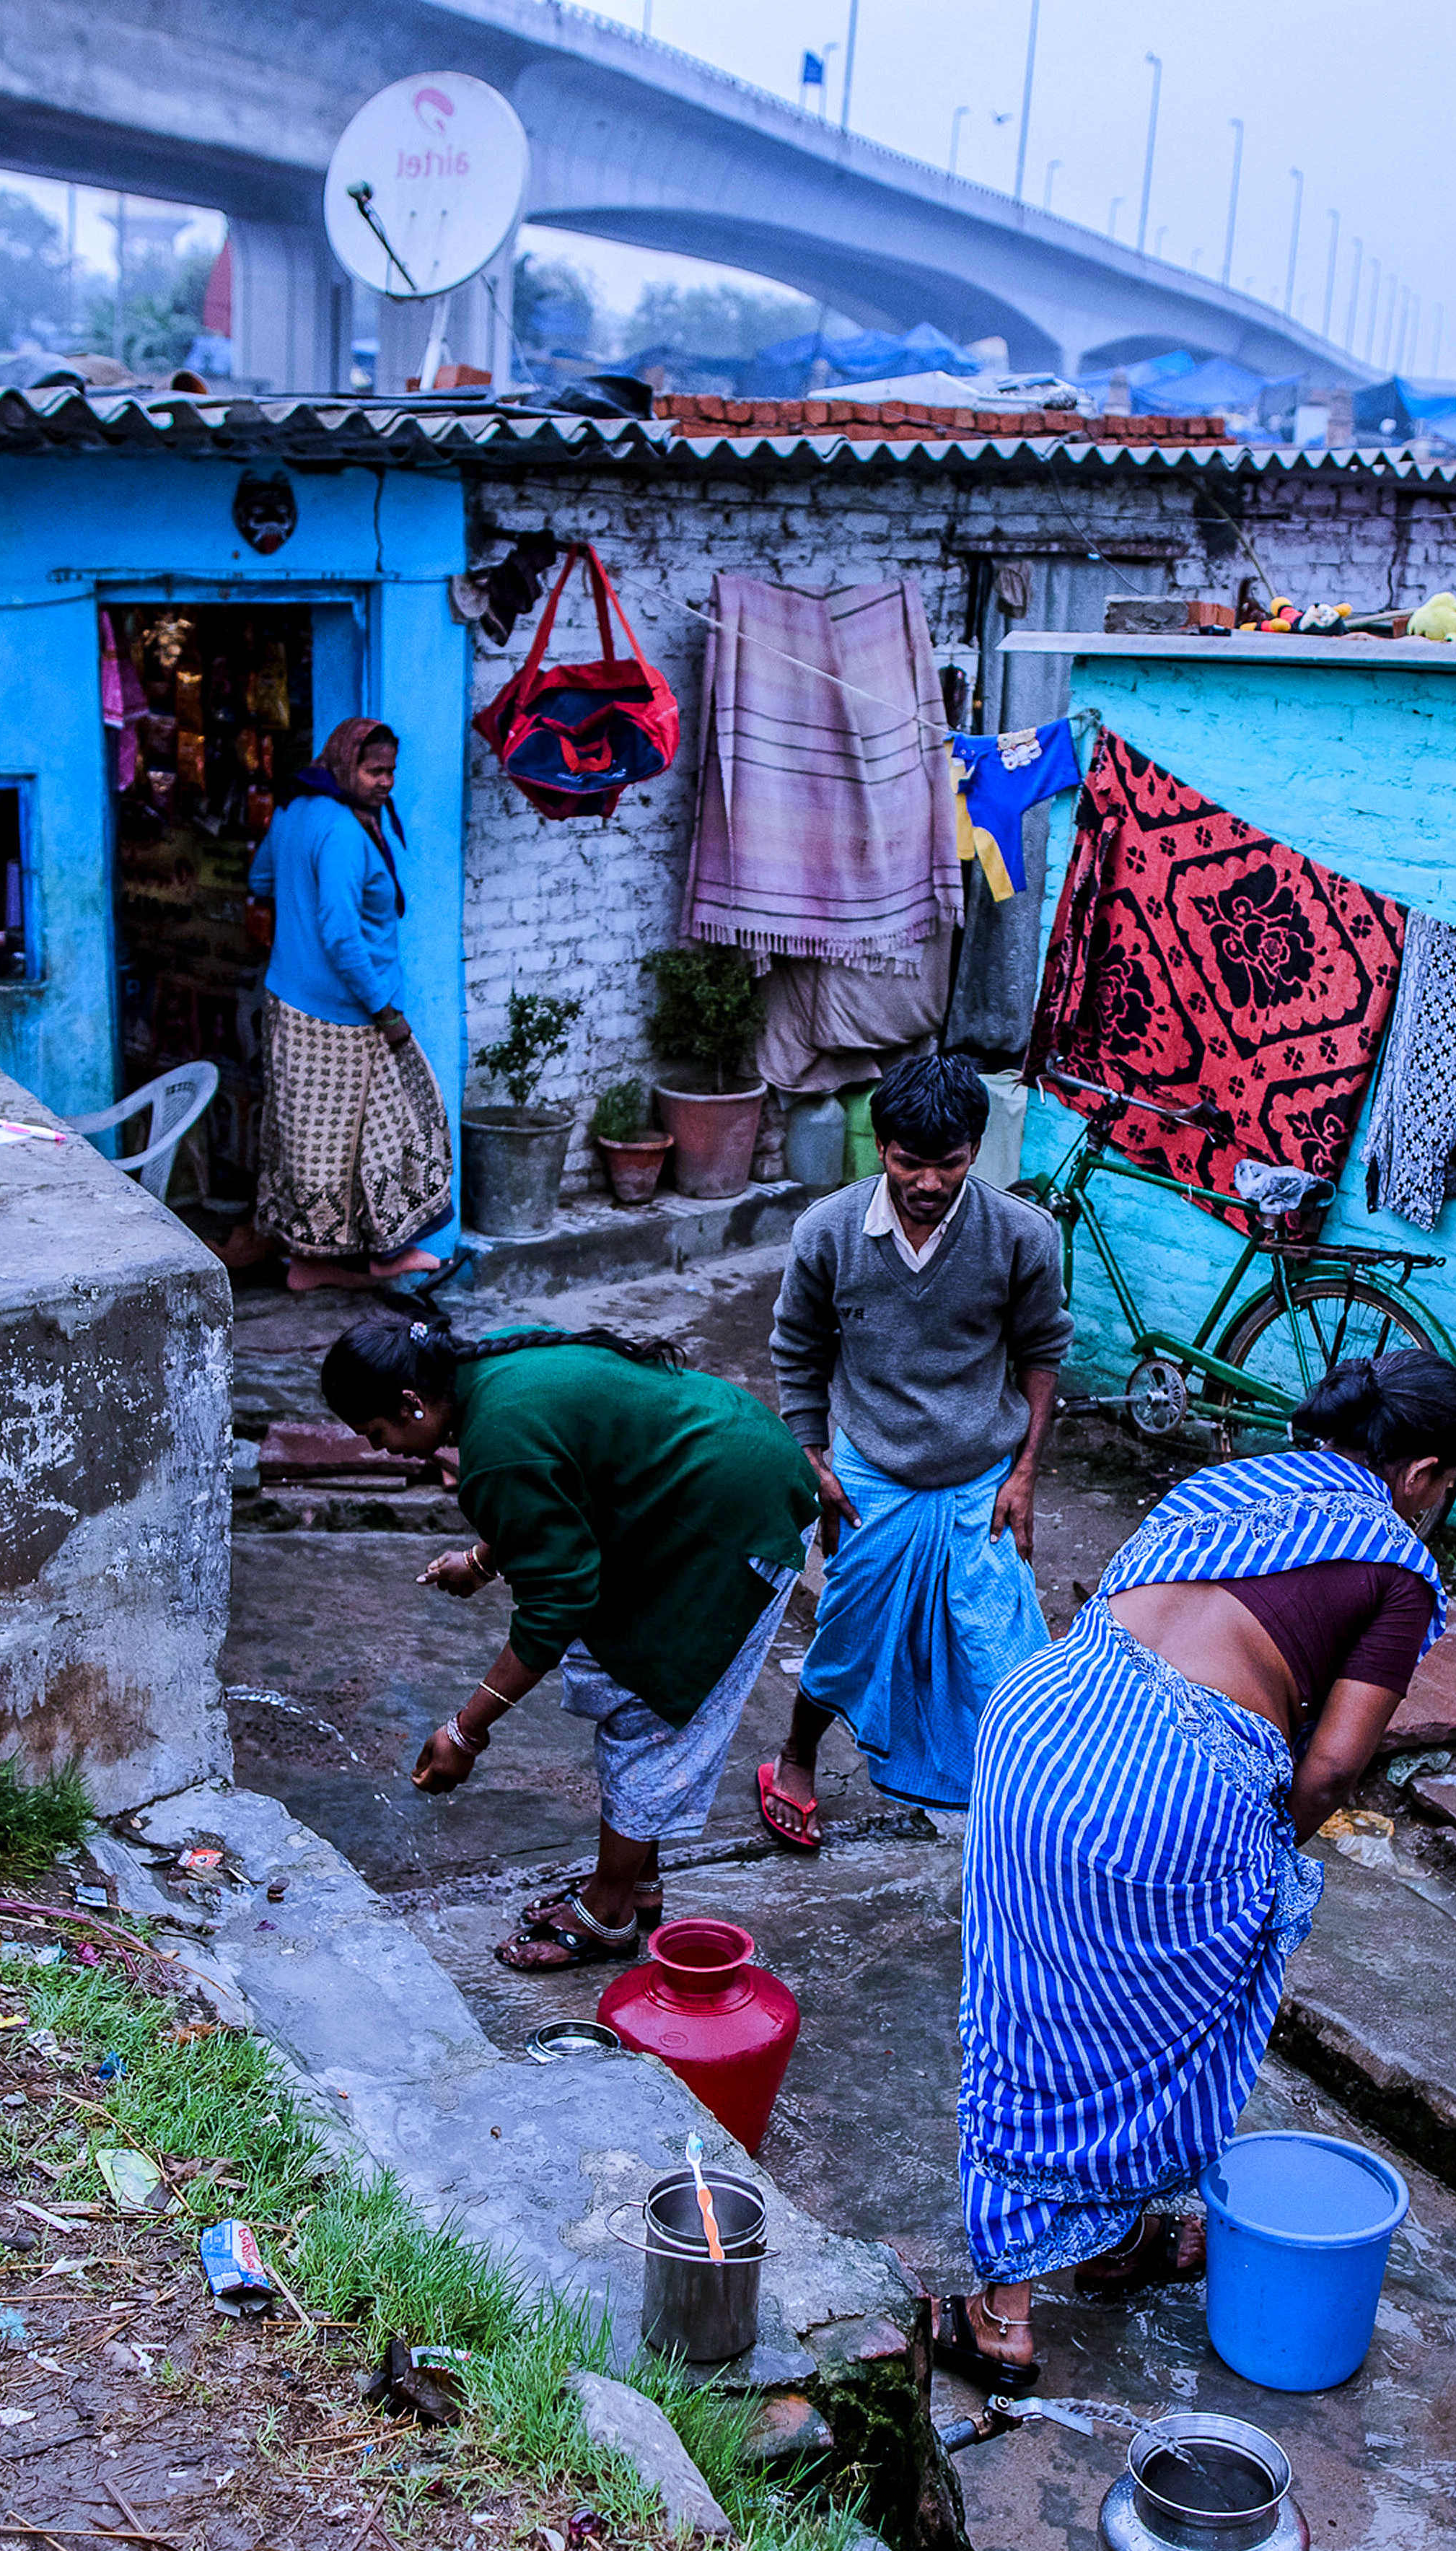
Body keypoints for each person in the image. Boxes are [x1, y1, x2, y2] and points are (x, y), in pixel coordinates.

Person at [936, 1348, 1456, 2391]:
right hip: (1169, 1779)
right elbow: (1330, 1766)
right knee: (1168, 2029)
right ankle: (1055, 2276)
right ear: (1421, 1475)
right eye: (1447, 1487)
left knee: (1027, 2015)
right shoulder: (1398, 1566)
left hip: (1041, 1722)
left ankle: (1039, 2285)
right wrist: (1276, 1844)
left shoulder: (1224, 1482)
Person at [324, 1310, 820, 1974]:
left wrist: (466, 1732)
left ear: (412, 1403)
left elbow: (554, 1610)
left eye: (375, 1431)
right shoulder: (485, 1375)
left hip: (733, 1516)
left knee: (649, 1704)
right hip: (708, 1477)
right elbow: (570, 1482)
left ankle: (608, 1913)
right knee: (624, 1680)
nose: (378, 1448)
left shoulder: (495, 1443)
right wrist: (482, 1561)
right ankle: (636, 1885)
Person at [760, 1053, 1069, 1834]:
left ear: (975, 1152)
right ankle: (795, 1757)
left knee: (1002, 1654)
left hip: (981, 1476)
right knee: (848, 1634)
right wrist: (813, 1462)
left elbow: (1041, 1354)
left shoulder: (1023, 1236)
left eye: (950, 1164)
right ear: (880, 1148)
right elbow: (797, 1349)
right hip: (870, 1473)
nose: (928, 1182)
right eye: (909, 1162)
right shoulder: (827, 1232)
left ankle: (1011, 1811)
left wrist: (1025, 1474)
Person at [246, 718, 447, 1290]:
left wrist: (296, 907)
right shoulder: (339, 829)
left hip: (293, 1003)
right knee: (398, 1127)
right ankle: (380, 1254)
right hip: (347, 1015)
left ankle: (312, 1262)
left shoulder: (295, 810)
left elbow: (261, 878)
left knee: (318, 1140)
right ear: (343, 766)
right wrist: (385, 1011)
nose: (385, 783)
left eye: (390, 772)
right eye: (373, 770)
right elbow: (340, 933)